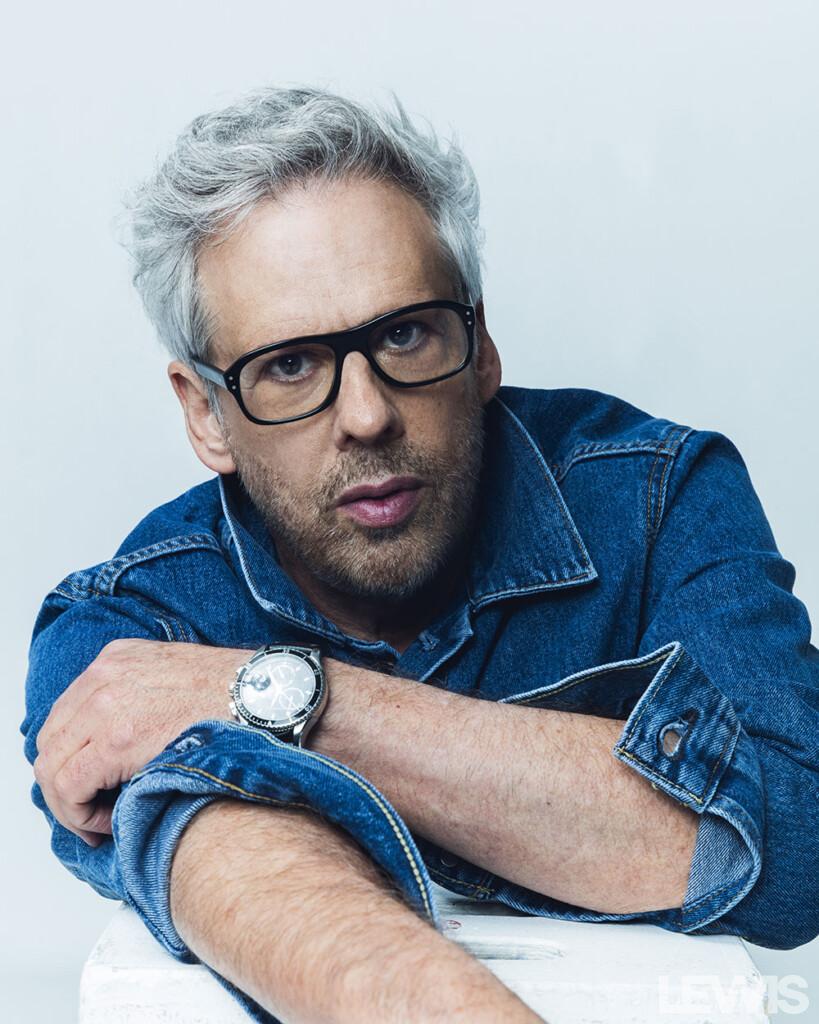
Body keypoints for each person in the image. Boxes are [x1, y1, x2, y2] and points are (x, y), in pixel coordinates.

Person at [23, 85, 819, 1024]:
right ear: (206, 414)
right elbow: (237, 868)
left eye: (405, 334)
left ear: (479, 344)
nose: (366, 416)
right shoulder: (129, 631)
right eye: (289, 366)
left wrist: (273, 697)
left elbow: (796, 846)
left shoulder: (657, 499)